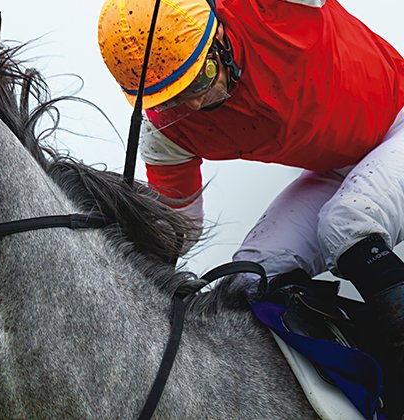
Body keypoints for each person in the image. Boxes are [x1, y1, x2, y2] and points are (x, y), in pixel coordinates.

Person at [98, 0, 404, 410]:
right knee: (249, 280)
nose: (193, 105)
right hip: (339, 170)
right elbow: (177, 231)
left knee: (346, 222)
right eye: (172, 97)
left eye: (201, 77)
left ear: (219, 34)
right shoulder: (165, 133)